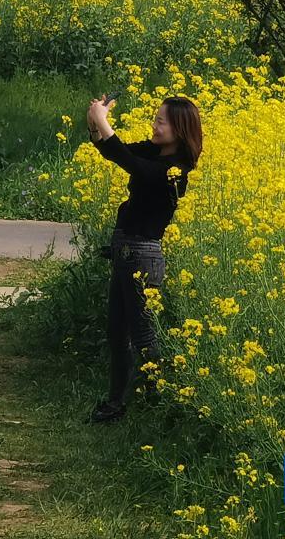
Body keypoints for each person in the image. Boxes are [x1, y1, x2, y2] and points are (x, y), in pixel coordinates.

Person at [85, 94, 203, 423]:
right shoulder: (155, 152)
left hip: (142, 256)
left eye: (160, 120)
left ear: (179, 129)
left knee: (145, 335)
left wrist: (105, 123)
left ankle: (158, 405)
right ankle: (116, 403)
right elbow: (114, 152)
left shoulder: (176, 170)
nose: (154, 124)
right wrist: (95, 122)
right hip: (126, 251)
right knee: (117, 331)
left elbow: (132, 164)